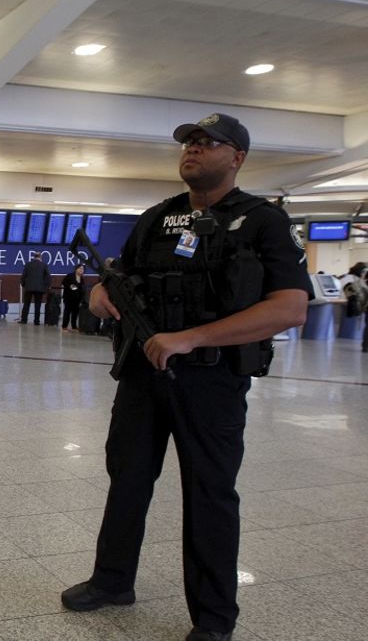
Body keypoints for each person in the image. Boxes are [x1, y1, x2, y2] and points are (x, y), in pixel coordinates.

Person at [60, 113, 312, 641]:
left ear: (237, 157)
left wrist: (192, 337)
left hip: (212, 381)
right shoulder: (158, 217)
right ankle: (112, 580)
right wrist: (100, 296)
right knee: (126, 480)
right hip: (143, 375)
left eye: (207, 143)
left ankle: (215, 618)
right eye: (188, 143)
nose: (192, 150)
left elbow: (289, 309)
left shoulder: (263, 221)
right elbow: (117, 280)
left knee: (210, 494)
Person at [17, 255, 51, 324]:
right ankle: (36, 321)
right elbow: (48, 276)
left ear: (33, 257)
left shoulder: (28, 264)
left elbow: (23, 276)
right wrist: (46, 286)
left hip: (29, 287)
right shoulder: (44, 265)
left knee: (26, 304)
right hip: (40, 288)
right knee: (37, 305)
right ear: (40, 258)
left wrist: (24, 284)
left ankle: (24, 320)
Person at [61, 263, 85, 331]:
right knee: (67, 312)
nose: (81, 270)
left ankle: (74, 326)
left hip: (77, 299)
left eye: (82, 269)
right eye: (80, 268)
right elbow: (64, 283)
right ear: (76, 269)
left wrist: (81, 299)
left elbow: (81, 289)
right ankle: (64, 326)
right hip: (68, 298)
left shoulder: (82, 279)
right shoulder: (70, 275)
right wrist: (73, 287)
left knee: (75, 313)